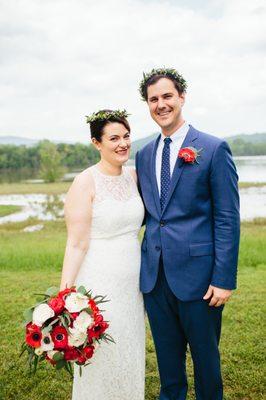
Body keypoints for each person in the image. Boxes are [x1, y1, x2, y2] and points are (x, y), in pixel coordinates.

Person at [136, 68, 240, 400]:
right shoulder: (142, 155)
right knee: (169, 369)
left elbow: (227, 217)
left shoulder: (212, 148)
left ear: (182, 97)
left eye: (167, 96)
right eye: (153, 99)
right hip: (155, 279)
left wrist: (223, 278)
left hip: (200, 279)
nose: (161, 104)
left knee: (206, 365)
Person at [60, 109, 145, 400]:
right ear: (97, 143)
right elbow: (76, 243)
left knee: (128, 346)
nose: (122, 143)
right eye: (113, 138)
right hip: (100, 279)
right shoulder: (86, 182)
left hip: (133, 282)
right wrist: (64, 294)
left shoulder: (134, 177)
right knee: (101, 348)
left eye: (126, 136)